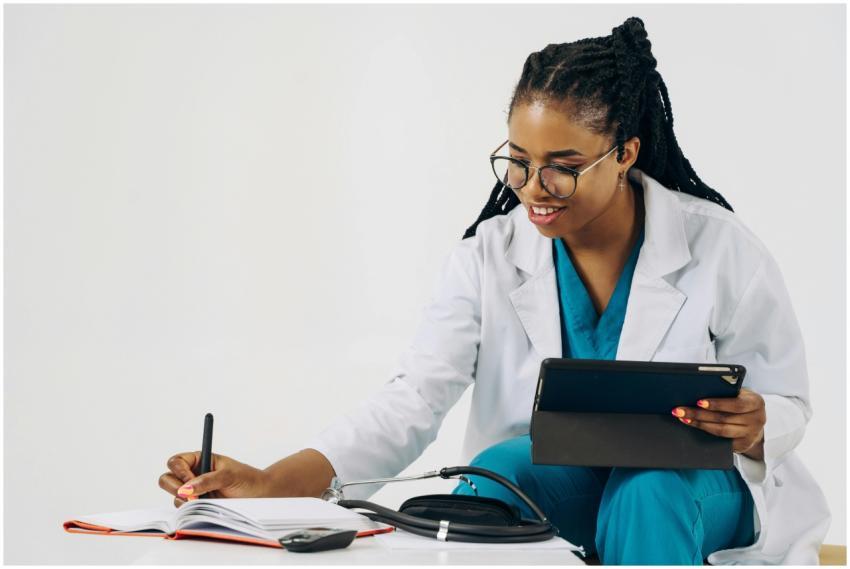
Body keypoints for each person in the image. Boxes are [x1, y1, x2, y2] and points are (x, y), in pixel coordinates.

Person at [158, 17, 830, 564]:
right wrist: (274, 483)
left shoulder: (719, 247)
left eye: (563, 169)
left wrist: (760, 417)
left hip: (699, 487)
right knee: (492, 475)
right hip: (566, 478)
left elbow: (789, 398)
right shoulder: (490, 255)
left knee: (644, 491)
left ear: (625, 153)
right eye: (519, 161)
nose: (533, 190)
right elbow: (411, 401)